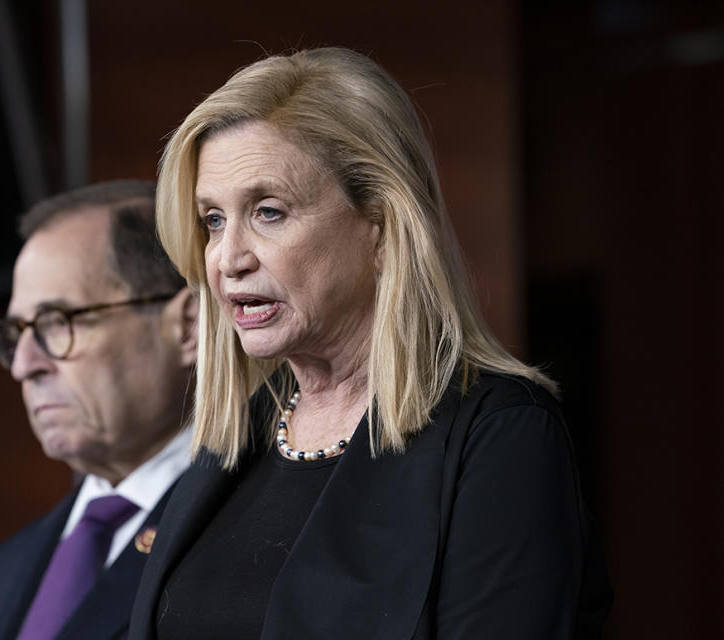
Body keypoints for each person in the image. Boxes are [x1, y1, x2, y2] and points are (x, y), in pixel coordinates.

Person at [128, 48, 611, 639]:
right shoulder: (234, 445)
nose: (229, 259)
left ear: (381, 226)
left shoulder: (502, 437)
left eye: (269, 212)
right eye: (214, 220)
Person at [0, 180, 198, 640]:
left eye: (57, 323)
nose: (24, 366)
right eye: (16, 334)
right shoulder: (2, 571)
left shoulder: (256, 526)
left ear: (187, 327)